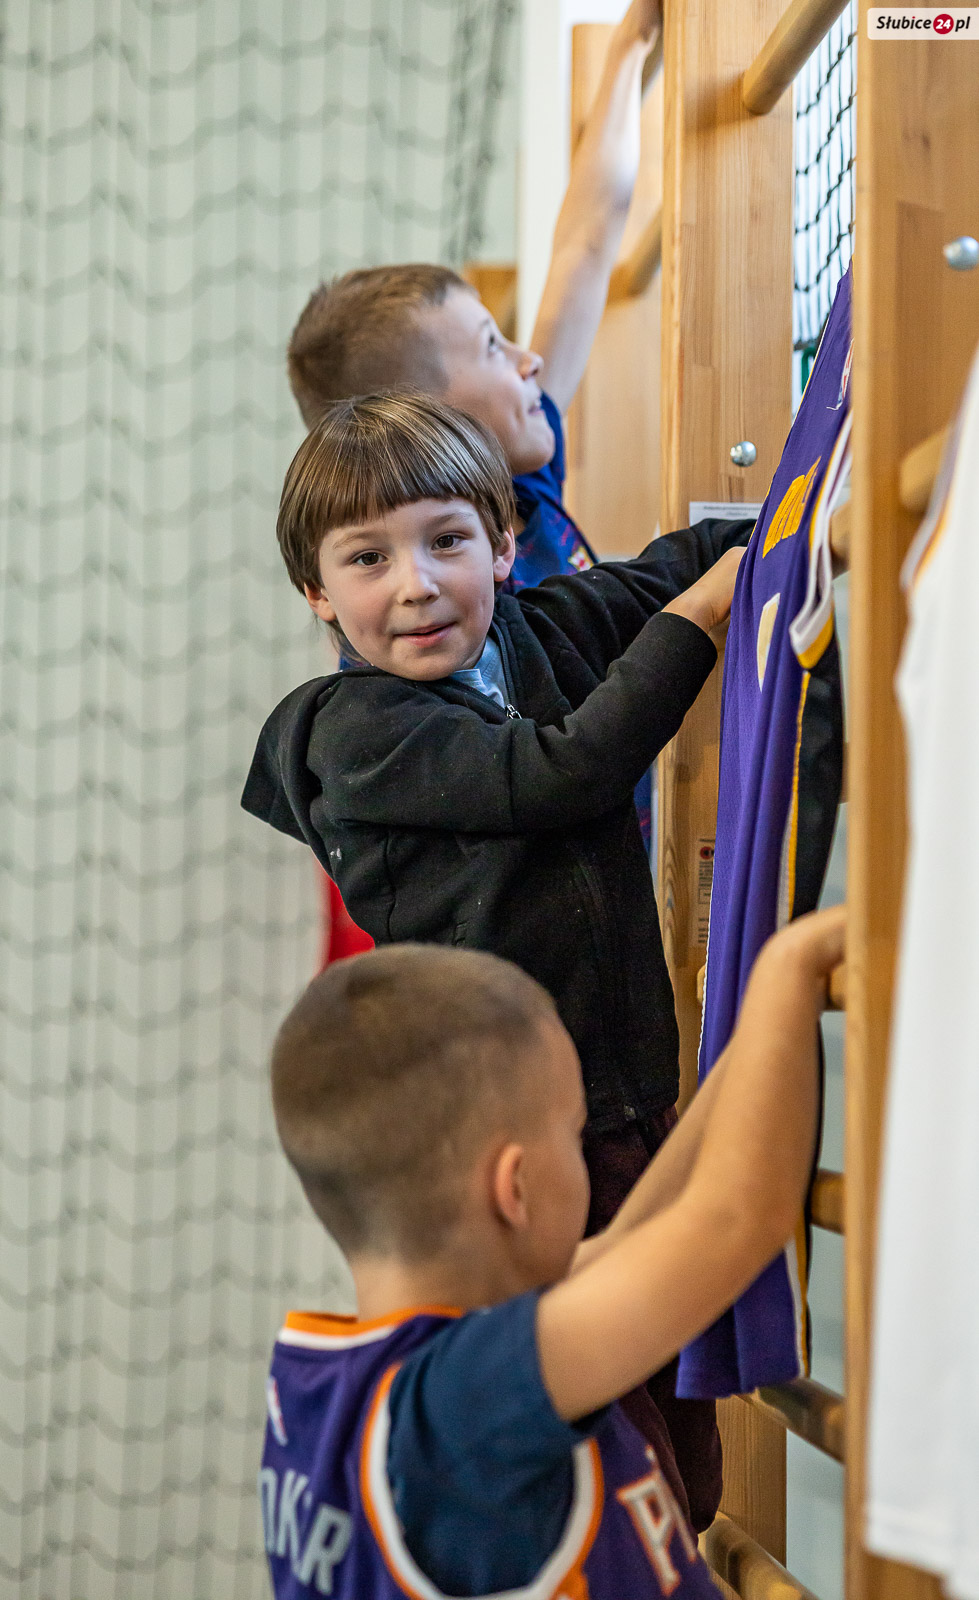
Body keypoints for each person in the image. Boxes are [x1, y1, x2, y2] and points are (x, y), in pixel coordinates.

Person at [243, 391, 751, 1528]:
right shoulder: (357, 734)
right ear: (317, 593)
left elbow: (665, 571)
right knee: (611, 1451)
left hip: (622, 1105)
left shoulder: (530, 637)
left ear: (503, 546)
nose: (416, 584)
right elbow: (562, 773)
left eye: (446, 541)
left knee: (690, 1458)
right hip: (512, 1149)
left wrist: (791, 526)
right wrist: (701, 618)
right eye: (368, 558)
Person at [261, 906, 845, 1597]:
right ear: (515, 1188)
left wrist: (748, 1042)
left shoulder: (349, 1387)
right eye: (573, 1134)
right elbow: (734, 1224)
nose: (581, 1151)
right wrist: (788, 968)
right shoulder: (466, 1404)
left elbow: (632, 1235)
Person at [285, 0, 661, 591]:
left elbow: (584, 250)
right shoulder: (446, 594)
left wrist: (630, 46)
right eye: (492, 347)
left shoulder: (523, 485)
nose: (529, 359)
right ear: (430, 420)